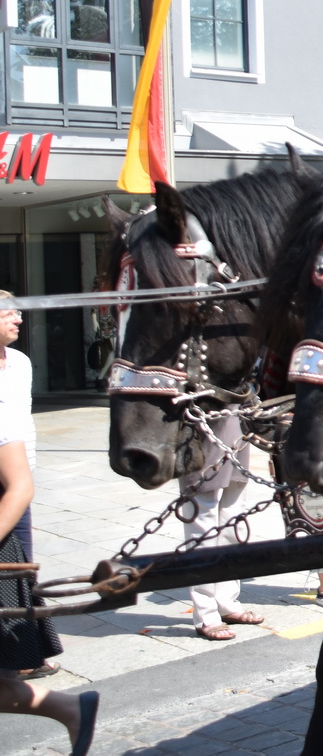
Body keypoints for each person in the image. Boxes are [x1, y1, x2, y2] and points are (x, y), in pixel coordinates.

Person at [0, 296, 99, 755]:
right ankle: (66, 706)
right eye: (9, 312)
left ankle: (30, 655)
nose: (19, 318)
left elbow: (18, 482)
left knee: (21, 568)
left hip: (11, 489)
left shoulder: (15, 367)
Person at [181, 411, 265, 640]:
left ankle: (227, 602)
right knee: (203, 526)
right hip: (201, 421)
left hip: (236, 418)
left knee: (232, 521)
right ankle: (206, 613)